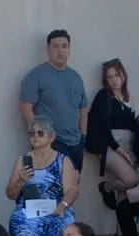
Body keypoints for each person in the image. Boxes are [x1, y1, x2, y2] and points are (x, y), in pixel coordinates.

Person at [6, 116, 78, 236]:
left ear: (51, 137)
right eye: (32, 133)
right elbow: (10, 194)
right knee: (20, 221)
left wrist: (62, 206)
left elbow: (71, 190)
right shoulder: (22, 159)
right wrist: (21, 181)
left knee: (59, 223)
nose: (35, 137)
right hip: (28, 209)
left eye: (40, 133)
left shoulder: (62, 160)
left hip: (56, 208)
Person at [20, 29, 88, 171]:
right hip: (51, 143)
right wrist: (41, 135)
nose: (60, 50)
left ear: (69, 49)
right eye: (55, 46)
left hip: (75, 143)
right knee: (54, 187)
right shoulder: (37, 75)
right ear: (48, 49)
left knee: (73, 185)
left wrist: (83, 135)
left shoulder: (75, 77)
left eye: (64, 46)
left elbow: (82, 108)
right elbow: (26, 107)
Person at [86, 58, 138, 208]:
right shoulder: (104, 96)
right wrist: (119, 150)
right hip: (109, 145)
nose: (114, 80)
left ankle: (121, 231)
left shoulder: (129, 97)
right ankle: (106, 187)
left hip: (127, 143)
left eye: (117, 75)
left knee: (126, 193)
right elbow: (103, 128)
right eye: (109, 77)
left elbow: (132, 125)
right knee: (130, 180)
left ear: (123, 75)